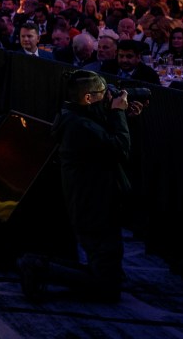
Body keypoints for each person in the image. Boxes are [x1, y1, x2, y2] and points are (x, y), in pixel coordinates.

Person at [18, 71, 134, 303]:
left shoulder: (73, 115)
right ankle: (37, 266)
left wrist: (120, 114)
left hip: (91, 202)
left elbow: (104, 136)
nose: (108, 97)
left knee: (109, 269)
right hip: (94, 206)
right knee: (109, 288)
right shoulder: (80, 125)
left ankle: (40, 264)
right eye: (103, 94)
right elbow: (120, 147)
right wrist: (119, 113)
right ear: (88, 98)